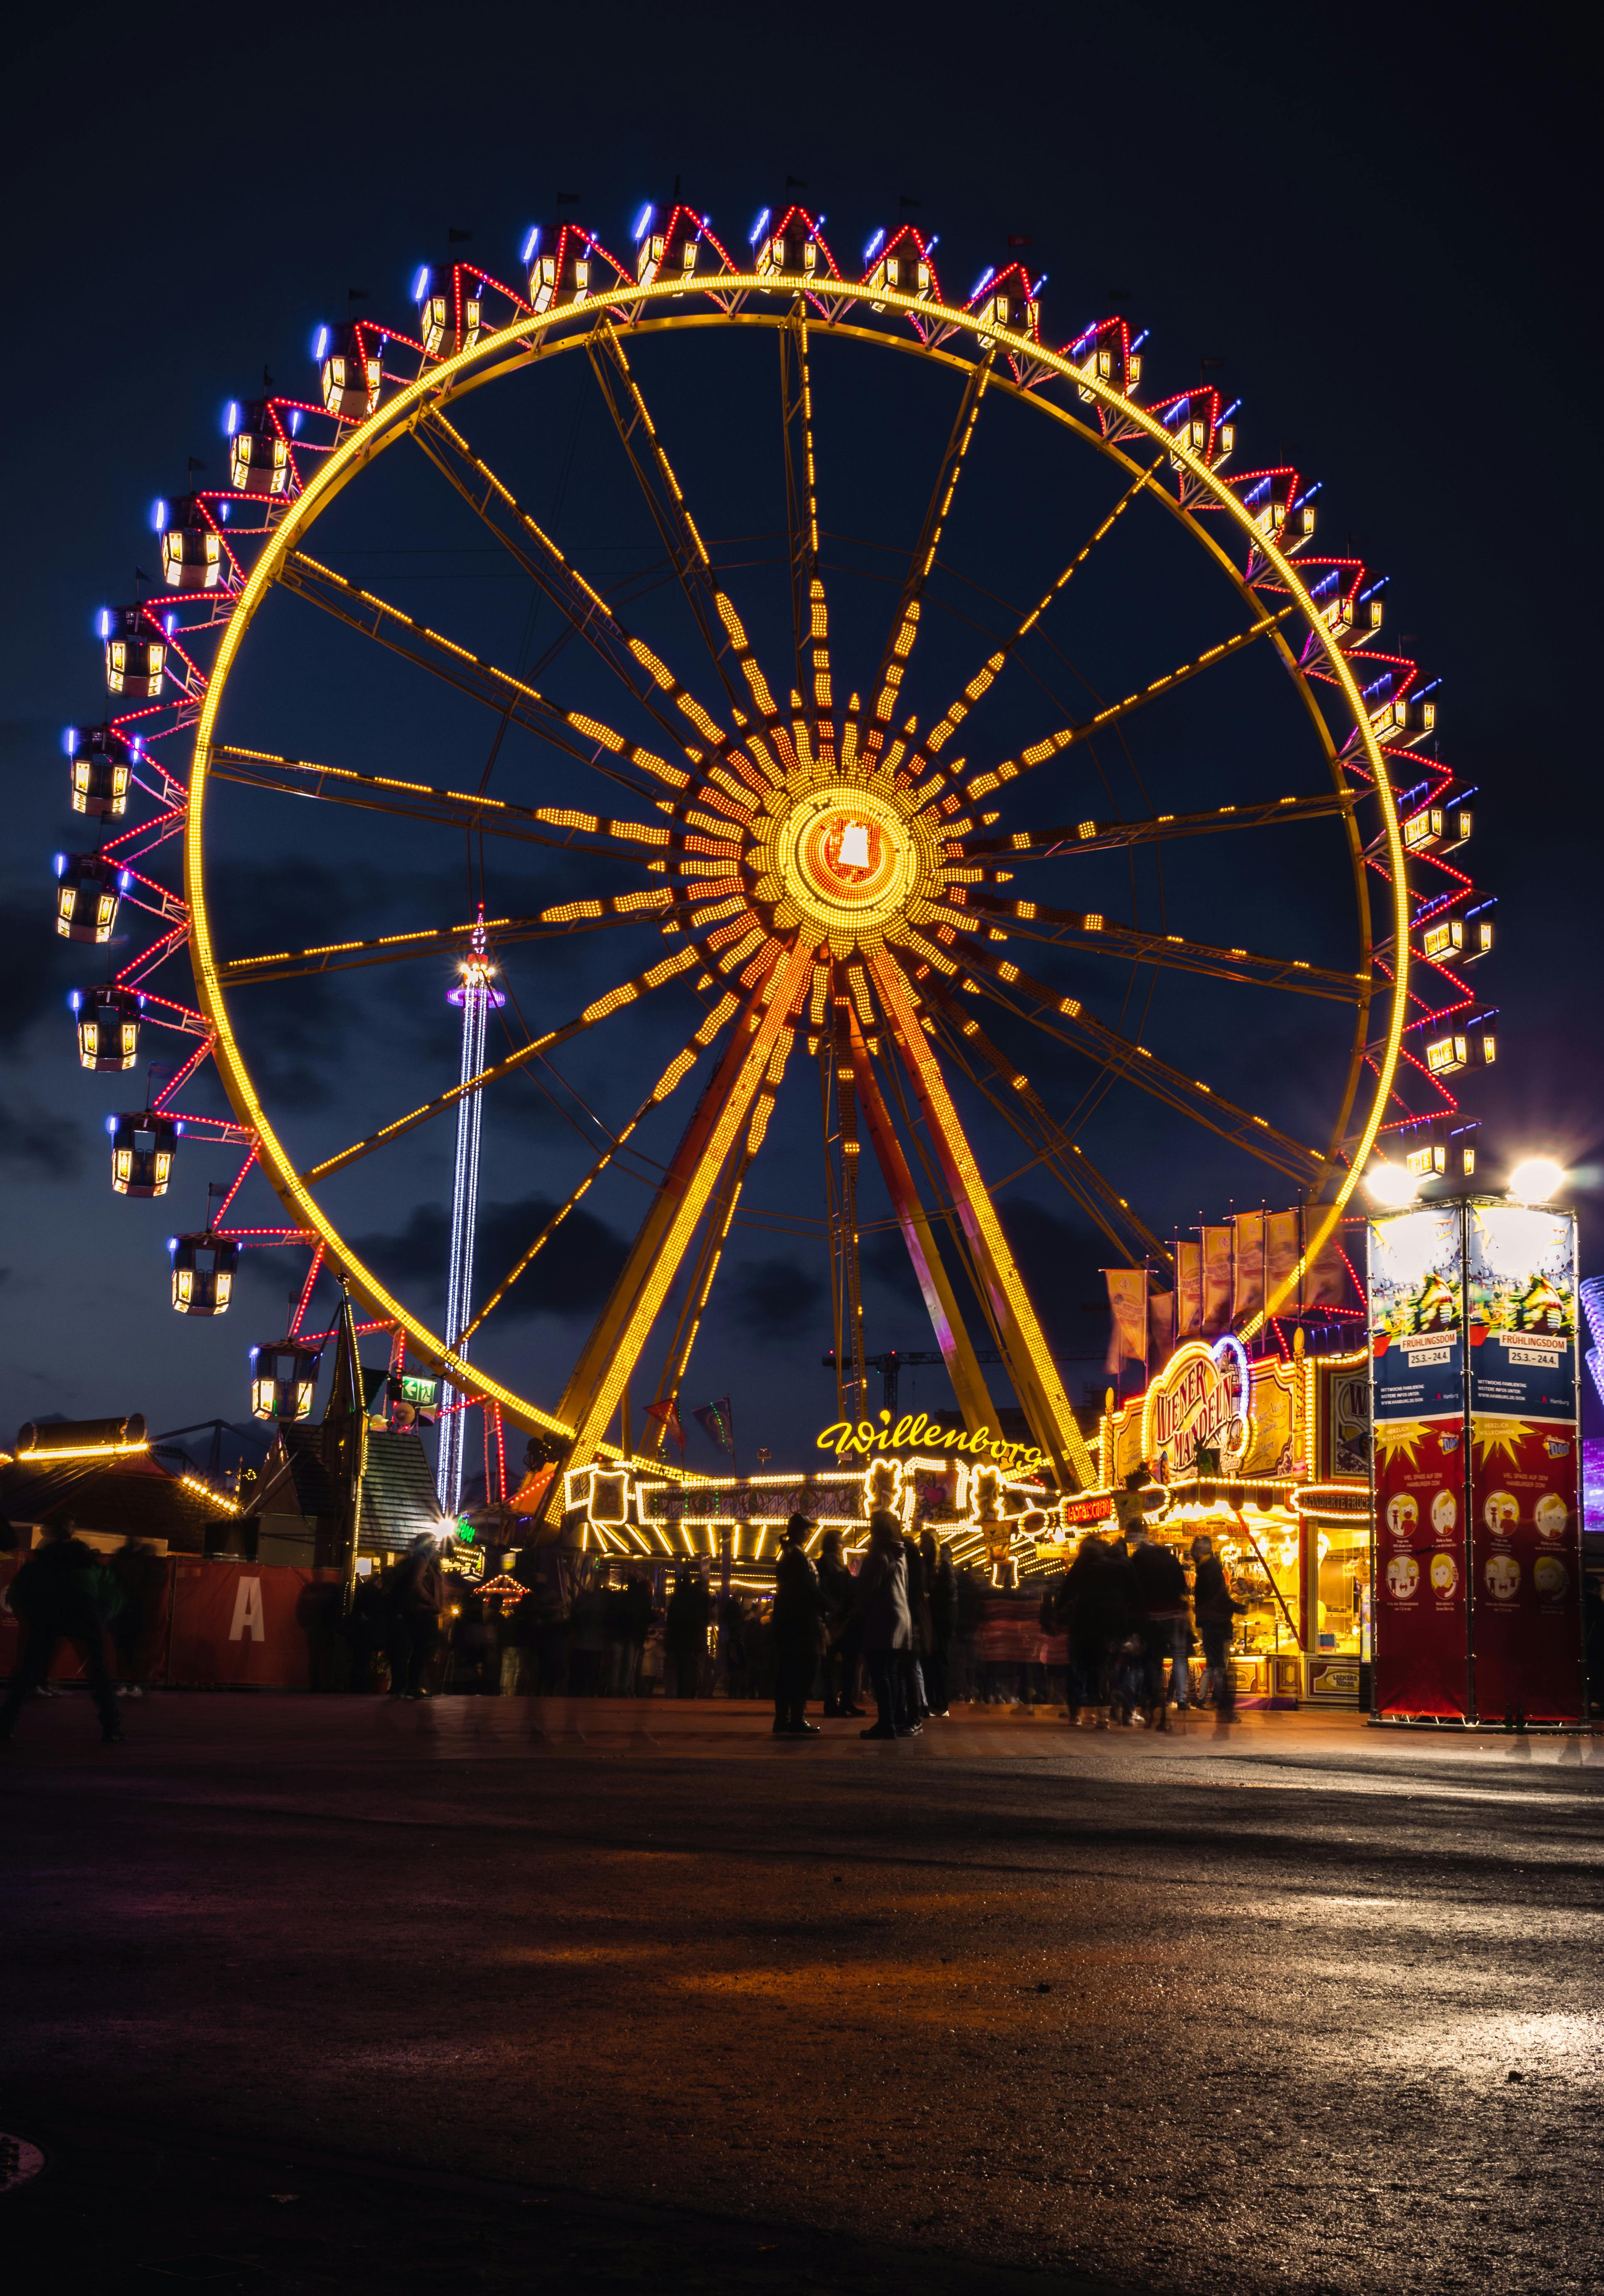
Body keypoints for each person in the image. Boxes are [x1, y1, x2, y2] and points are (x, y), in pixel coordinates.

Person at [0, 1519, 123, 1743]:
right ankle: (111, 1726)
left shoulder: (39, 1566)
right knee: (98, 1671)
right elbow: (113, 1594)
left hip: (47, 1610)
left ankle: (6, 1724)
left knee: (27, 1669)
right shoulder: (92, 1566)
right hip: (84, 1609)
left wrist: (29, 1617)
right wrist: (101, 1615)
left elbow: (18, 1592)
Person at [853, 1509, 915, 1739]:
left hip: (883, 1616)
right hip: (901, 1615)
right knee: (890, 1670)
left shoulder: (878, 1554)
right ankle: (892, 1719)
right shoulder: (900, 1554)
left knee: (880, 1672)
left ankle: (886, 1722)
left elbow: (868, 1588)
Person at [1130, 1526, 1191, 1731]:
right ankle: (1179, 1698)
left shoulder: (1139, 1559)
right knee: (1179, 1655)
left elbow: (1136, 1588)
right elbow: (1183, 1586)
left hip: (1152, 1616)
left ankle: (1154, 1701)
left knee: (1152, 1660)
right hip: (1175, 1614)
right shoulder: (1170, 1558)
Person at [771, 1514, 824, 1737]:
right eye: (805, 1529)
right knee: (800, 1669)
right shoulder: (795, 1556)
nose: (808, 1533)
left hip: (791, 1621)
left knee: (790, 1670)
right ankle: (794, 1718)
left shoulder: (793, 1554)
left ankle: (786, 1718)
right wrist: (829, 1605)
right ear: (798, 1531)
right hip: (799, 1622)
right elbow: (806, 1590)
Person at [1191, 1535, 1245, 1719]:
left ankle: (1217, 1703)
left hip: (1211, 1623)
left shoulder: (1208, 1569)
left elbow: (1219, 1597)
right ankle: (1222, 1706)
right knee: (1219, 1666)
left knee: (1215, 1665)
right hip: (1217, 1623)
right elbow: (1221, 1597)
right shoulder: (1210, 1568)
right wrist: (1238, 1607)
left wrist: (1236, 1607)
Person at [388, 1531, 446, 1700]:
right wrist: (431, 1601)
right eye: (433, 1543)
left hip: (421, 1611)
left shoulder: (426, 1562)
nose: (436, 1547)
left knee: (422, 1648)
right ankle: (414, 1686)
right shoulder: (422, 1560)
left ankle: (412, 1686)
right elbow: (416, 1584)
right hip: (423, 1611)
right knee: (424, 1648)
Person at [109, 1534, 166, 1699]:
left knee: (135, 1650)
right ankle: (132, 1683)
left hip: (134, 1610)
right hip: (131, 1610)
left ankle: (135, 1683)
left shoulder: (125, 1561)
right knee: (127, 1650)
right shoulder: (145, 1562)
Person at [817, 1529, 863, 1717]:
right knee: (844, 1663)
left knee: (834, 1665)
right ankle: (840, 1702)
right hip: (837, 1618)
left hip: (837, 1617)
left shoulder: (832, 1564)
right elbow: (828, 1590)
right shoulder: (829, 1564)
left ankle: (836, 1702)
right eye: (840, 1543)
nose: (842, 1546)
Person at [921, 1529, 956, 1718]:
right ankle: (935, 1701)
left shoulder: (943, 1563)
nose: (921, 1546)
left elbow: (949, 1590)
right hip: (937, 1614)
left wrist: (930, 1597)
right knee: (932, 1659)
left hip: (942, 1616)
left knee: (939, 1658)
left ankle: (941, 1704)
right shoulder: (933, 1563)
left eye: (924, 1542)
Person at [664, 1569, 710, 1700]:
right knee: (693, 1666)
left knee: (681, 1668)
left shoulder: (678, 1598)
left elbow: (672, 1620)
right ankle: (693, 1692)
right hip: (695, 1637)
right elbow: (706, 1619)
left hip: (679, 1638)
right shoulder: (701, 1598)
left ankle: (683, 1693)